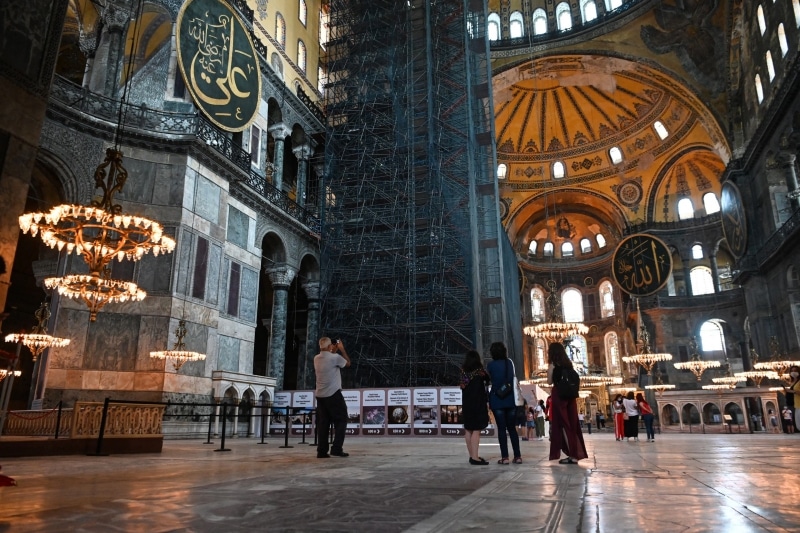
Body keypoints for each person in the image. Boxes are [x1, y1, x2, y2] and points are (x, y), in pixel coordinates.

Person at [547, 342, 588, 464]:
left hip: (559, 395)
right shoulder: (569, 365)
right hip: (570, 396)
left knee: (563, 425)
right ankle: (574, 453)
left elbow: (549, 381)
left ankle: (572, 455)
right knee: (572, 424)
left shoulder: (553, 365)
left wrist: (550, 370)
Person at [313, 337, 351, 458]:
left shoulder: (316, 358)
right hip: (333, 394)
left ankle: (322, 451)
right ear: (330, 346)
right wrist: (341, 349)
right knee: (341, 420)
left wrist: (333, 350)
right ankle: (336, 448)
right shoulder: (335, 358)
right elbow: (347, 363)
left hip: (320, 395)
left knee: (323, 423)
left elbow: (329, 357)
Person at [486, 341, 523, 464]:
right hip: (510, 399)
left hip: (497, 399)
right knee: (512, 428)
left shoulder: (490, 365)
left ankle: (505, 457)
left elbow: (489, 380)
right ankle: (517, 456)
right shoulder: (509, 363)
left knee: (501, 429)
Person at [459, 349, 490, 465]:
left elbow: (462, 386)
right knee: (476, 430)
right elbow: (488, 379)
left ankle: (472, 455)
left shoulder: (463, 372)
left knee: (468, 429)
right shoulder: (480, 372)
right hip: (478, 404)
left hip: (466, 404)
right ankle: (475, 458)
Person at [786, 365, 800, 432]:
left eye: (795, 371)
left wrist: (792, 391)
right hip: (796, 404)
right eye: (792, 371)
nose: (793, 372)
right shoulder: (793, 382)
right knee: (798, 425)